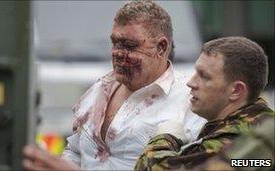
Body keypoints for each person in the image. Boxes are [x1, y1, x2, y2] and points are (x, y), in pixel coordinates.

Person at [23, 0, 206, 170]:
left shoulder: (190, 102)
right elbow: (76, 151)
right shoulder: (100, 89)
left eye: (129, 45)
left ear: (161, 48)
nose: (118, 53)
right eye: (115, 43)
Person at [135, 36, 275, 170]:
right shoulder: (261, 121)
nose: (190, 83)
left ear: (236, 90)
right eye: (196, 72)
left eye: (204, 76)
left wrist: (163, 141)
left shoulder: (232, 142)